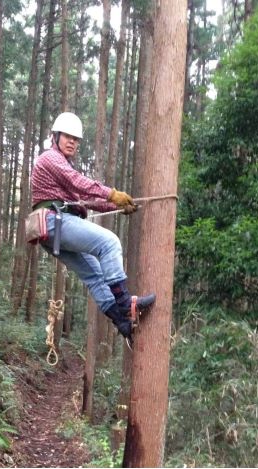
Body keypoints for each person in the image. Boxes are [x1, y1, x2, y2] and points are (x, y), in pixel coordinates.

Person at [31, 112, 155, 343]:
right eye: (67, 136)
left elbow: (83, 200)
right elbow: (79, 182)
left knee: (95, 276)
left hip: (52, 230)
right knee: (109, 243)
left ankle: (122, 322)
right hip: (54, 222)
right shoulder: (51, 159)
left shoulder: (61, 165)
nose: (72, 142)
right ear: (55, 136)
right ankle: (127, 304)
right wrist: (113, 194)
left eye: (76, 139)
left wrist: (114, 202)